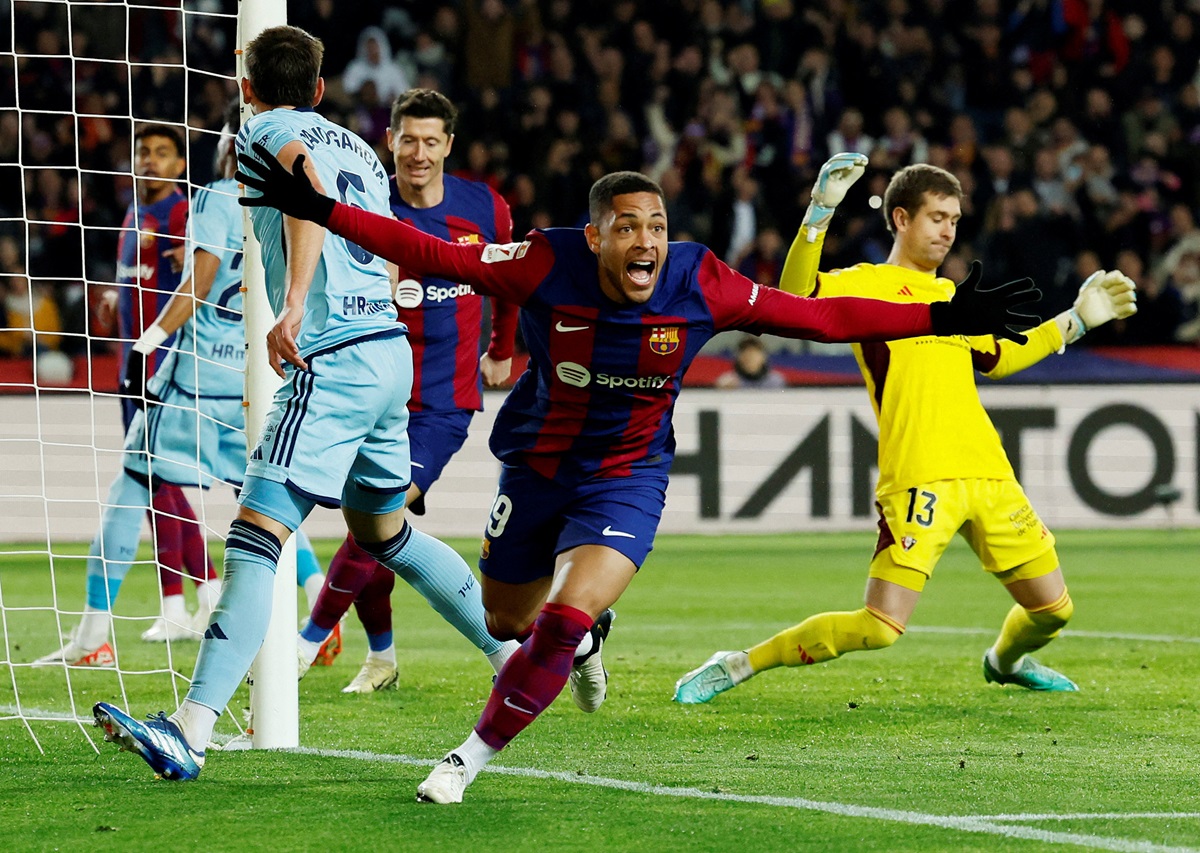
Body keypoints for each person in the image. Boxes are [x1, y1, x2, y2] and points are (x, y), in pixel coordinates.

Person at [231, 136, 1044, 803]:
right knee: (511, 618)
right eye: (627, 227)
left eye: (655, 225)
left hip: (628, 475)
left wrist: (940, 313)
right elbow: (436, 254)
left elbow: (819, 316)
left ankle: (467, 757)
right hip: (539, 466)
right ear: (595, 236)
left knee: (560, 617)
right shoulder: (546, 262)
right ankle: (585, 645)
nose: (646, 240)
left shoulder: (700, 280)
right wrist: (325, 213)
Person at [92, 26, 500, 782]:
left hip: (332, 357)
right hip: (385, 351)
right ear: (319, 87)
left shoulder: (262, 130)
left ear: (246, 86)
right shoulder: (357, 146)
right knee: (386, 533)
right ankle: (514, 655)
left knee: (253, 536)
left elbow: (306, 193)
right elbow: (367, 230)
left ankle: (191, 725)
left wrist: (297, 303)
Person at [673, 156, 1137, 707]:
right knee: (880, 626)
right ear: (900, 218)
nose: (948, 230)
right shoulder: (865, 284)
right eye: (937, 217)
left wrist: (1077, 319)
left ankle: (1005, 662)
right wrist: (818, 213)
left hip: (989, 475)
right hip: (919, 477)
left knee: (1054, 609)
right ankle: (738, 663)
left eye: (955, 220)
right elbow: (795, 300)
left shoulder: (953, 297)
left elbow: (1001, 358)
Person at [34, 105, 329, 667]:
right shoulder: (295, 203)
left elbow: (200, 281)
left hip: (191, 381)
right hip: (252, 383)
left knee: (129, 492)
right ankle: (318, 615)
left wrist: (145, 344)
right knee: (266, 503)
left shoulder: (214, 196)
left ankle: (94, 633)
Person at [297, 88, 521, 694]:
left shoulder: (486, 208)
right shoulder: (370, 203)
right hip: (371, 390)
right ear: (389, 141)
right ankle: (383, 656)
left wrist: (501, 349)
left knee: (377, 517)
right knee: (370, 527)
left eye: (430, 141)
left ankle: (309, 639)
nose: (418, 153)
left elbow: (507, 284)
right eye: (407, 140)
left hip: (442, 404)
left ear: (448, 145)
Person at [100, 122, 219, 642]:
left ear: (180, 166)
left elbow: (204, 271)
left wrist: (183, 252)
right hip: (134, 363)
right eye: (142, 151)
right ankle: (204, 594)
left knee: (160, 483)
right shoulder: (133, 212)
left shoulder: (183, 213)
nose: (149, 160)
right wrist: (114, 295)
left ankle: (182, 601)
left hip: (167, 367)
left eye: (162, 153)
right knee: (157, 485)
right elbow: (141, 279)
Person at [714, 334, 786, 389]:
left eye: (754, 352)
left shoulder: (775, 381)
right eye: (745, 352)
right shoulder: (728, 381)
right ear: (738, 357)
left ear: (763, 357)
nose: (749, 356)